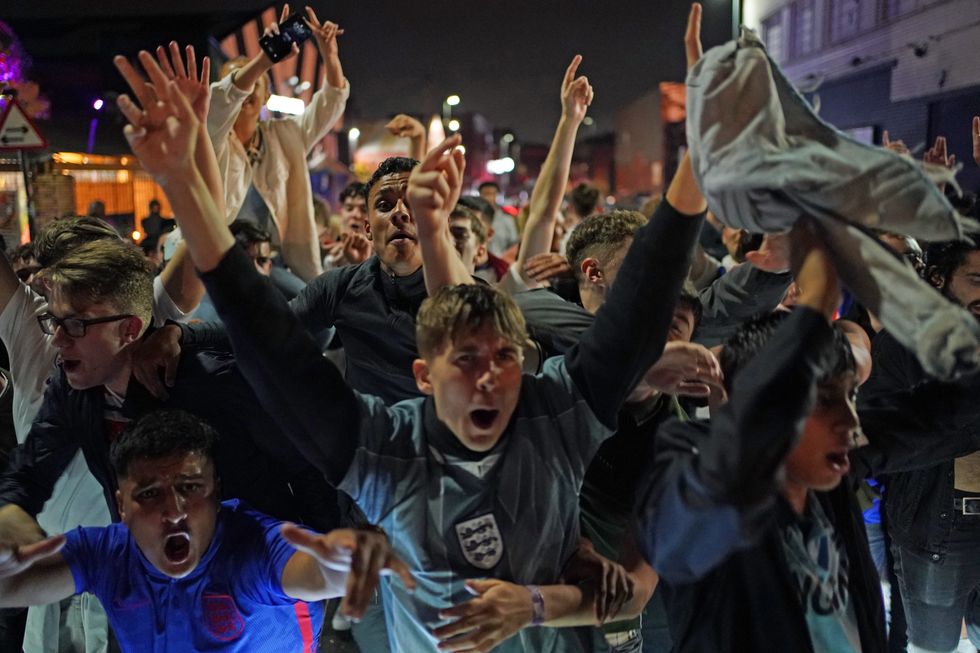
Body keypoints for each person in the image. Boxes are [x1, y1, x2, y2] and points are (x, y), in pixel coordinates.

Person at [115, 59, 707, 650]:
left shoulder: (554, 416)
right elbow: (276, 350)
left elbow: (639, 311)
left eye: (505, 358)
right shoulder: (387, 449)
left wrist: (701, 157)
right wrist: (186, 187)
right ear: (422, 375)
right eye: (466, 362)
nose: (488, 379)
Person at [634, 219, 889, 652]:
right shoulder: (684, 460)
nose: (849, 421)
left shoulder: (822, 466)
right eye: (821, 399)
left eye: (847, 397)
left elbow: (934, 409)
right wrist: (813, 303)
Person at [0, 409, 413, 652]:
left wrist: (349, 560)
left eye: (189, 488)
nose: (173, 511)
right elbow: (14, 585)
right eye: (149, 493)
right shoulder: (106, 554)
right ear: (121, 505)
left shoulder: (254, 546)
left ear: (216, 491)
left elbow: (314, 572)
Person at [858, 239, 980, 653]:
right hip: (937, 524)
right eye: (976, 280)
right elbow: (873, 437)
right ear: (938, 280)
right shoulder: (902, 345)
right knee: (932, 645)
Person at [208, 5, 349, 284]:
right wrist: (263, 60)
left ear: (267, 95)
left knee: (320, 327)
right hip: (220, 267)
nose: (245, 89)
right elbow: (224, 99)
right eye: (238, 79)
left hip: (276, 264)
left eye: (254, 82)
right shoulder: (211, 138)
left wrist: (329, 55)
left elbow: (330, 103)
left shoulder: (286, 135)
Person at [477, 181, 519, 255]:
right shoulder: (474, 218)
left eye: (492, 194)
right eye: (486, 194)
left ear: (496, 195)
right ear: (480, 195)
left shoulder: (507, 219)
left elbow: (514, 244)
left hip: (500, 263)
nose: (488, 197)